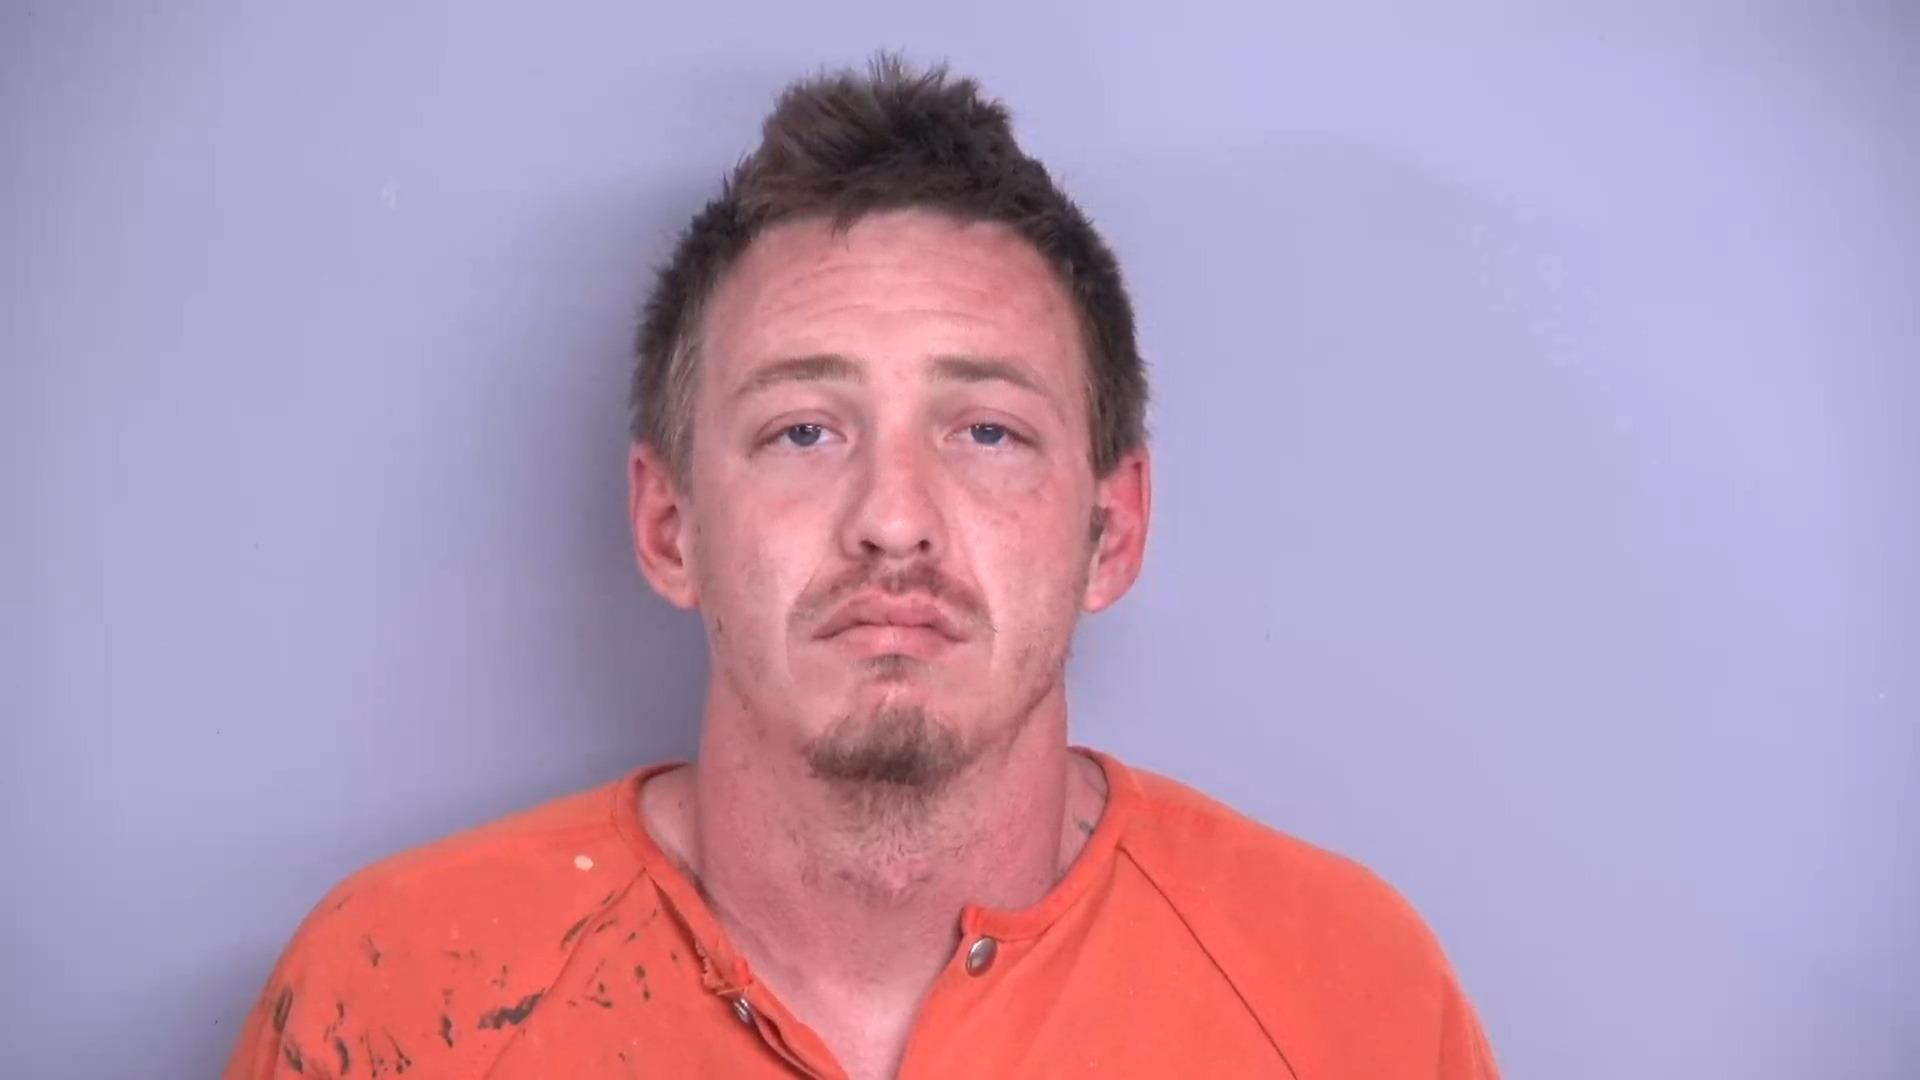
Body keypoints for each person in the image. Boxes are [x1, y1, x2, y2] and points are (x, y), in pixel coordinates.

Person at [225, 56, 1499, 1079]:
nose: (893, 520)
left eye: (986, 432)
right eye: (804, 431)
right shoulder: (393, 997)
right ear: (669, 527)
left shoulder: (1345, 992)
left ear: (1111, 532)